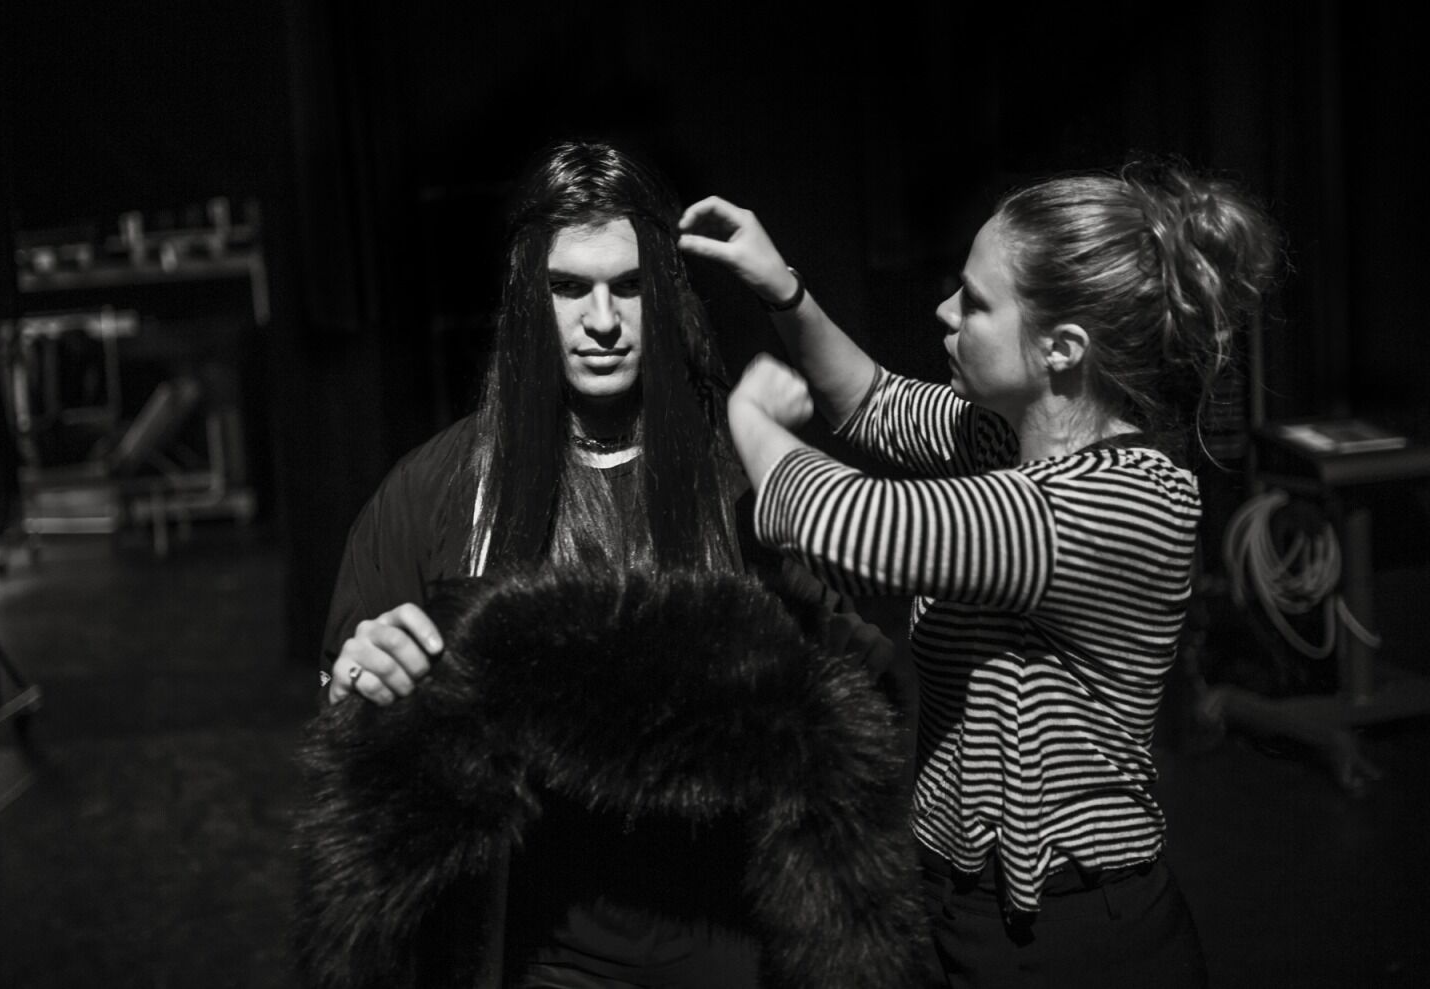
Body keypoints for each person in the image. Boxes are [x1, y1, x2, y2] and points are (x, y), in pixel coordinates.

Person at [679, 161, 1282, 987]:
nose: (945, 312)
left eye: (975, 303)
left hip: (1075, 937)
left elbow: (848, 519)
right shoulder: (1006, 436)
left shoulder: (1120, 500)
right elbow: (871, 402)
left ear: (1063, 348)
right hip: (964, 911)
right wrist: (783, 289)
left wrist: (748, 418)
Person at [315, 140, 900, 989]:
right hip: (533, 955)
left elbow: (854, 698)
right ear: (529, 298)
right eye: (569, 288)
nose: (601, 320)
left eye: (627, 287)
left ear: (663, 294)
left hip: (725, 953)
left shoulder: (740, 482)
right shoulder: (443, 490)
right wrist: (358, 684)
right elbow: (346, 709)